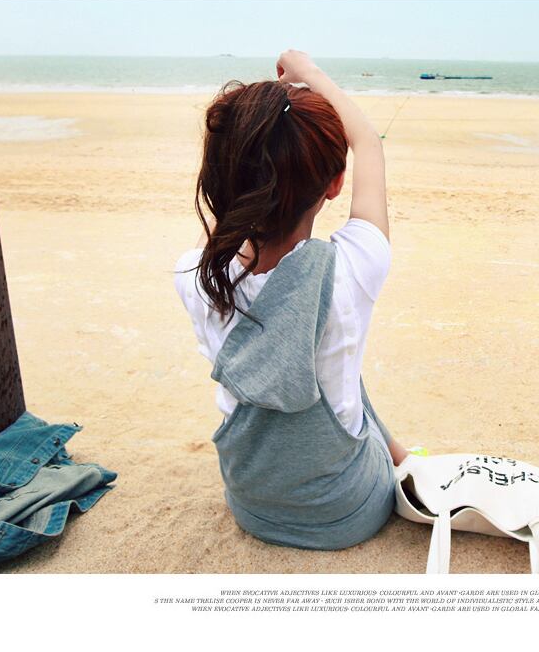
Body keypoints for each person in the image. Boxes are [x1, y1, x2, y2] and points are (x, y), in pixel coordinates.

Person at [173, 50, 409, 550]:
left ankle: (396, 450)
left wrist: (243, 162)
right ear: (335, 184)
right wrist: (311, 75)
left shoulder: (195, 277)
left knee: (329, 354)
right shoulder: (350, 270)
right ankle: (400, 457)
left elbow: (225, 222)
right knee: (338, 356)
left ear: (222, 185)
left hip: (252, 506)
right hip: (347, 513)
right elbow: (368, 142)